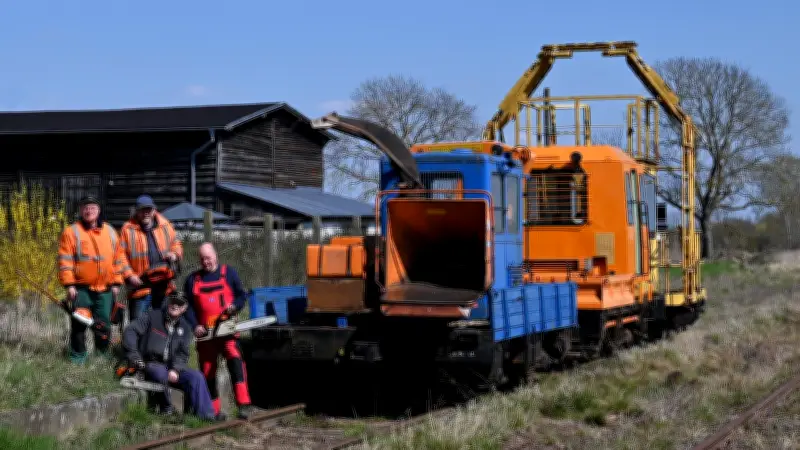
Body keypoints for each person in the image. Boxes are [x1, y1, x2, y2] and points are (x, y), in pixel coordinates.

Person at [122, 292, 224, 421]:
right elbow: (130, 331)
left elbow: (183, 353)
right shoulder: (152, 316)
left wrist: (176, 369)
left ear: (184, 308)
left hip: (172, 367)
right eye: (173, 302)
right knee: (160, 373)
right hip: (150, 363)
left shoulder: (185, 328)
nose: (175, 305)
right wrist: (133, 355)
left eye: (180, 304)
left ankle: (206, 416)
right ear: (168, 302)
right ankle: (168, 411)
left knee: (197, 377)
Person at [183, 242, 254, 419]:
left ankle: (244, 404)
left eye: (208, 258)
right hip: (205, 334)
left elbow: (241, 296)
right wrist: (195, 326)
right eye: (202, 259)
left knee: (236, 362)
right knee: (207, 371)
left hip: (227, 331)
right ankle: (213, 411)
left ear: (215, 256)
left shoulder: (229, 273)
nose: (205, 262)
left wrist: (234, 307)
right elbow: (188, 307)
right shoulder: (192, 280)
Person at [57, 196, 126, 364]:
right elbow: (65, 261)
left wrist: (117, 282)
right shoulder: (71, 232)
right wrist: (70, 285)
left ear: (99, 210)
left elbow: (119, 258)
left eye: (92, 207)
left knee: (104, 324)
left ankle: (102, 355)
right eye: (85, 208)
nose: (89, 211)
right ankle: (78, 357)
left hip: (106, 289)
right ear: (81, 211)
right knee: (79, 324)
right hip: (81, 289)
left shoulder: (110, 231)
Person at [119, 195, 183, 320]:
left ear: (154, 210)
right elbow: (120, 256)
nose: (146, 213)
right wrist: (130, 275)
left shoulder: (165, 225)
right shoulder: (127, 229)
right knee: (138, 326)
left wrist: (174, 254)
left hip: (164, 285)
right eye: (142, 210)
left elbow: (176, 244)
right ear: (137, 211)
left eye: (148, 209)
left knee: (163, 325)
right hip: (140, 286)